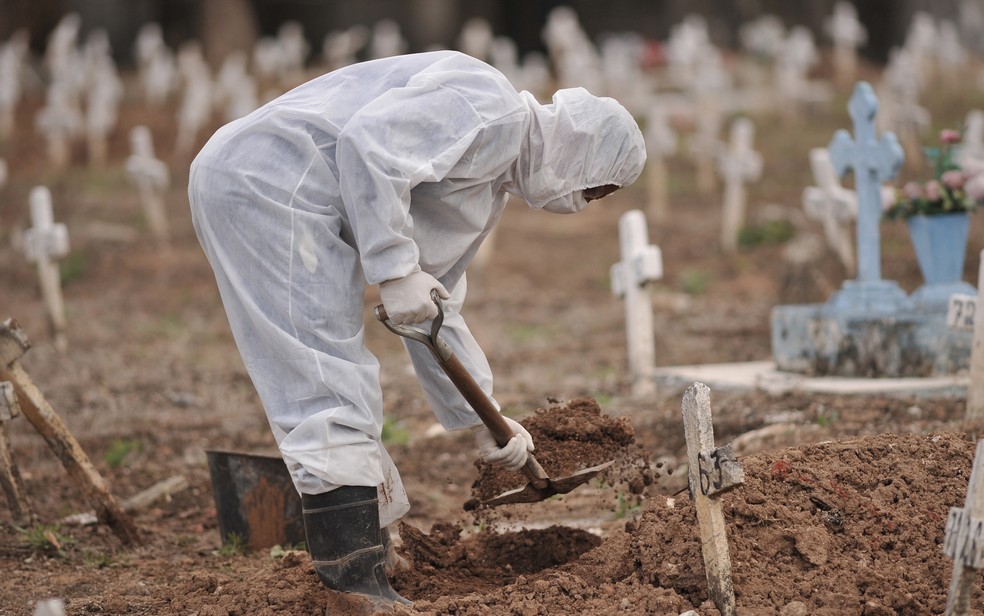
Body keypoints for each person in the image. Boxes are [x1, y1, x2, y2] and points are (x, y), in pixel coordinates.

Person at [188, 49, 646, 607]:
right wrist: (394, 266)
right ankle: (355, 583)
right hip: (269, 181)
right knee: (322, 378)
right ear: (580, 150)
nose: (580, 204)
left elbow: (436, 311)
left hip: (289, 196)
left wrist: (485, 418)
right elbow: (368, 147)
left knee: (336, 379)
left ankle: (374, 553)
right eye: (593, 190)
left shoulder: (486, 187)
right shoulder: (491, 106)